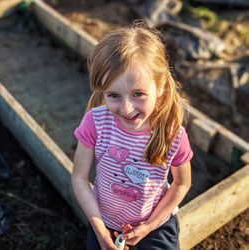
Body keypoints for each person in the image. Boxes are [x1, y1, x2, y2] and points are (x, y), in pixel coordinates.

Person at [72, 21, 193, 250]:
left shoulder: (172, 134)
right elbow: (79, 178)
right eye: (114, 95)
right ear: (102, 92)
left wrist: (148, 226)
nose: (127, 109)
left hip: (154, 224)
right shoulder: (95, 122)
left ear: (160, 88)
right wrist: (99, 231)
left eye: (138, 94)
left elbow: (181, 184)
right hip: (104, 223)